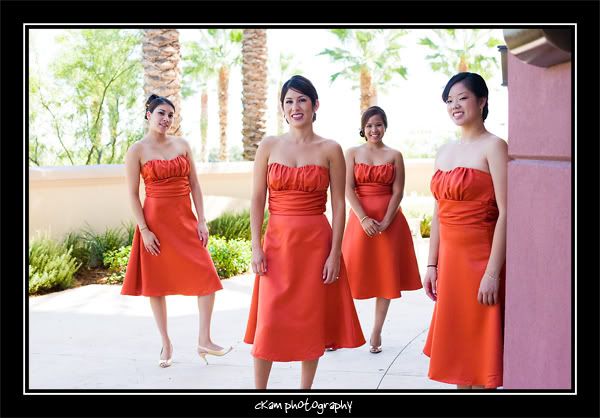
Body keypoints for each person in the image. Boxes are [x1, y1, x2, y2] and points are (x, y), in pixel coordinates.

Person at [244, 75, 365, 389]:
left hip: (316, 245)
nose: (295, 107)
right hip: (277, 244)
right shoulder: (269, 145)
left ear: (315, 105)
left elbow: (339, 205)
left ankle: (304, 392)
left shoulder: (331, 149)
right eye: (288, 101)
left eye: (302, 100)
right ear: (282, 108)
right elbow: (257, 198)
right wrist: (255, 246)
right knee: (269, 320)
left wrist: (335, 254)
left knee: (310, 320)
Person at [121, 94, 231, 368]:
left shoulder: (182, 145)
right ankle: (166, 343)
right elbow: (132, 194)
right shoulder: (137, 150)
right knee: (156, 285)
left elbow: (195, 184)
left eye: (170, 115)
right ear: (149, 115)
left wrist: (202, 220)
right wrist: (144, 230)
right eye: (161, 113)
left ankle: (204, 340)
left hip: (185, 221)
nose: (166, 119)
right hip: (155, 225)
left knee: (207, 276)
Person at [422, 72, 507, 389]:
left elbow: (507, 213)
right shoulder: (444, 151)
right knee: (459, 355)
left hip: (480, 262)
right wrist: (432, 264)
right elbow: (438, 212)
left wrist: (492, 273)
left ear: (482, 101)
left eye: (462, 98)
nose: (454, 105)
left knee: (481, 357)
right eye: (449, 100)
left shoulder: (495, 147)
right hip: (451, 265)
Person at [341, 106, 422, 354]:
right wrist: (363, 218)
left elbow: (398, 192)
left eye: (378, 124)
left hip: (390, 225)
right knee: (345, 276)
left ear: (385, 126)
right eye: (369, 126)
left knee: (386, 277)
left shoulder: (395, 155)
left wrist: (387, 220)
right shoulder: (352, 153)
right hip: (360, 223)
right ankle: (336, 329)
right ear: (363, 129)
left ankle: (376, 330)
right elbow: (347, 189)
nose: (374, 130)